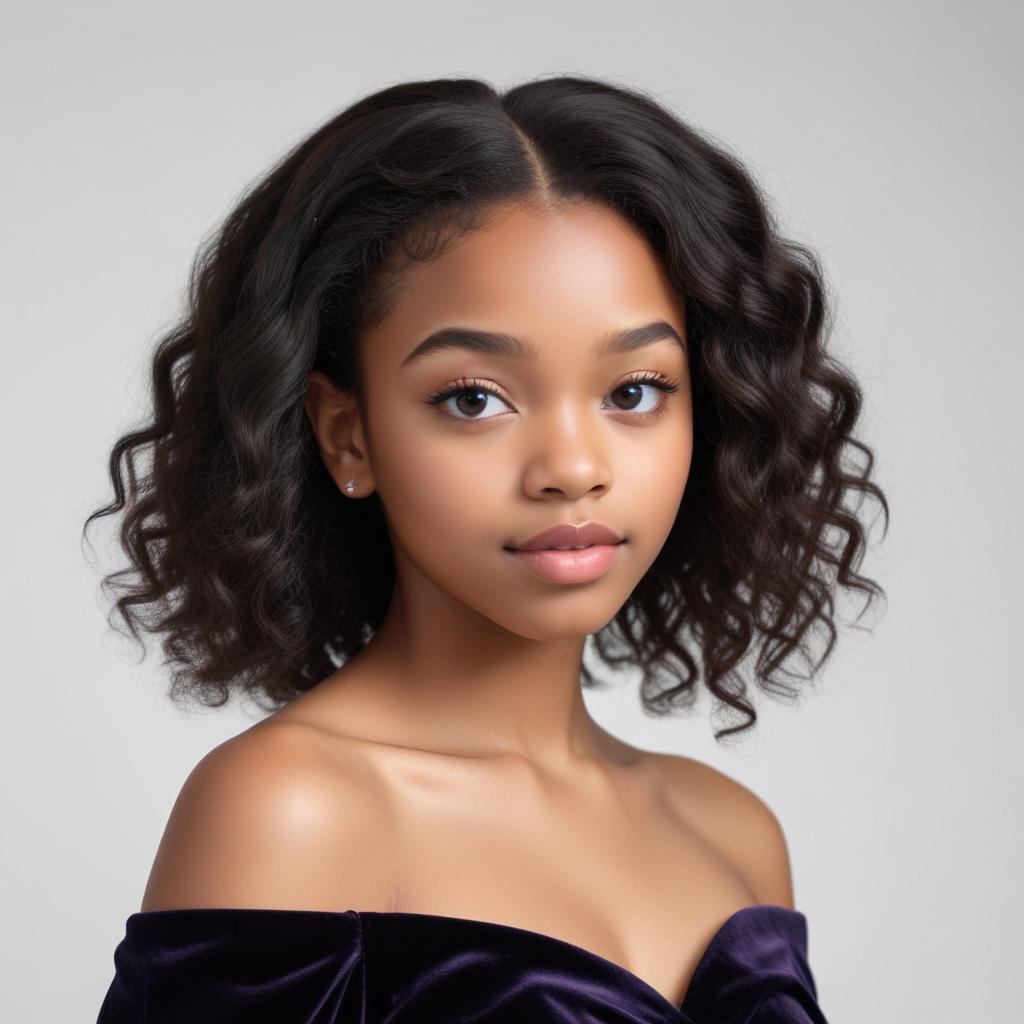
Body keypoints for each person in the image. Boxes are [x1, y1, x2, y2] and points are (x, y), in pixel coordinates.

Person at [88, 73, 887, 1022]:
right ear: (347, 434)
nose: (572, 467)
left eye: (634, 390)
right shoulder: (287, 810)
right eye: (474, 398)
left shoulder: (735, 834)